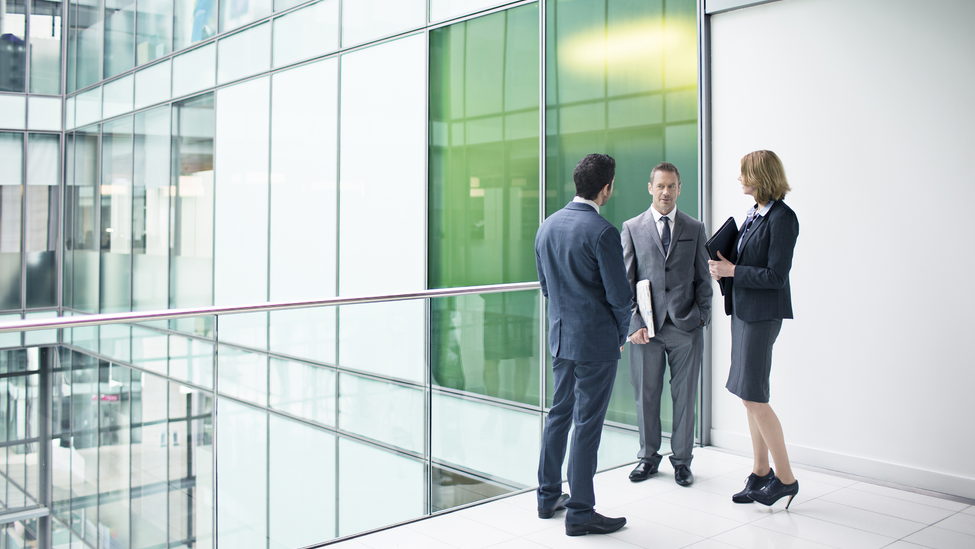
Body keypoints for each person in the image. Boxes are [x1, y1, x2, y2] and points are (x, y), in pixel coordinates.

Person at [535, 153, 631, 536]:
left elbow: (546, 288)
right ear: (605, 188)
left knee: (558, 416)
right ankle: (580, 511)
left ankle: (546, 498)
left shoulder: (547, 227)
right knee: (587, 425)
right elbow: (620, 297)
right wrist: (620, 335)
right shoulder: (603, 232)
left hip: (561, 338)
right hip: (595, 343)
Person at [708, 150, 800, 508]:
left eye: (745, 173)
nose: (740, 179)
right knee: (748, 395)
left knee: (755, 396)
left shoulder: (783, 219)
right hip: (744, 312)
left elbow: (777, 277)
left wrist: (734, 272)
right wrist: (725, 269)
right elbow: (745, 262)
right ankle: (761, 472)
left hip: (763, 316)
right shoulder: (754, 214)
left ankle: (786, 479)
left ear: (762, 176)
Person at [621, 162, 712, 486]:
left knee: (685, 397)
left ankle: (683, 461)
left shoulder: (694, 227)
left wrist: (702, 317)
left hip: (685, 328)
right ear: (650, 187)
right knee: (646, 395)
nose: (666, 192)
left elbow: (704, 278)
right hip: (646, 330)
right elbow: (625, 282)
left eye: (672, 186)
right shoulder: (632, 228)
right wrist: (633, 325)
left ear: (679, 188)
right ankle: (648, 458)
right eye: (660, 186)